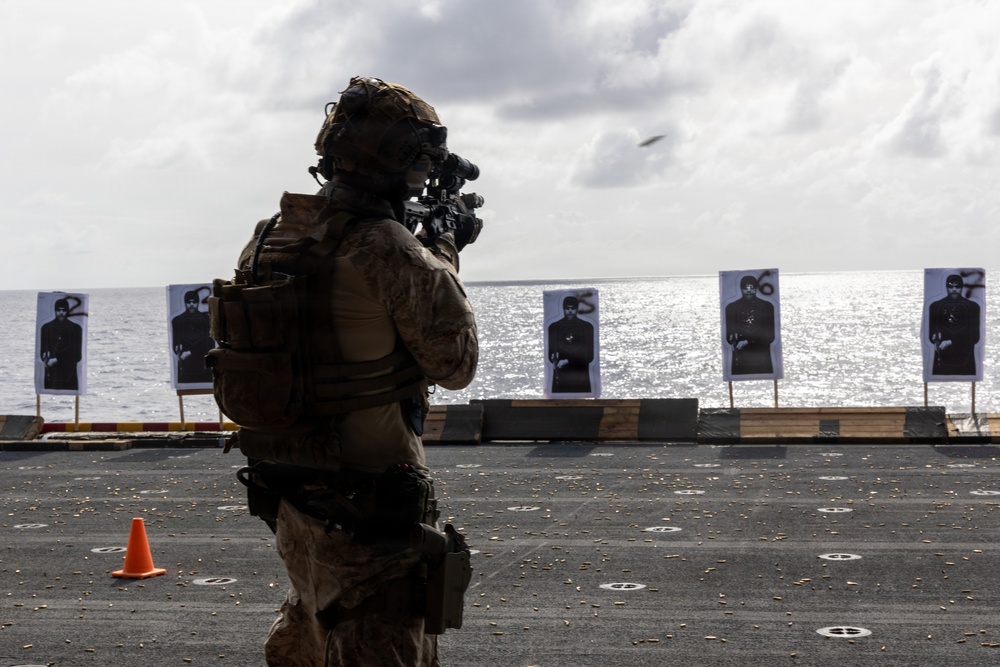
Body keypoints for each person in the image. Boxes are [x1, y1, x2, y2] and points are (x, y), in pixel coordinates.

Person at [223, 76, 479, 667]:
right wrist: (445, 250)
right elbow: (455, 362)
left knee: (313, 628)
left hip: (294, 496)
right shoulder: (386, 247)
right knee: (378, 633)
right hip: (371, 505)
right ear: (400, 163)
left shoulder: (270, 237)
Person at [928, 273, 980, 376]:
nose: (954, 289)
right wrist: (934, 336)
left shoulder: (973, 307)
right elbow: (931, 333)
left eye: (957, 287)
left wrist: (951, 342)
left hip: (965, 358)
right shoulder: (935, 307)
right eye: (951, 287)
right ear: (946, 287)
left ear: (962, 287)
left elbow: (975, 336)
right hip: (942, 359)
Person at [724, 275, 775, 375]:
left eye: (751, 288)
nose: (748, 291)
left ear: (756, 289)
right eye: (745, 288)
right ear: (741, 289)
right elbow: (728, 334)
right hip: (740, 358)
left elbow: (770, 335)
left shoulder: (767, 306)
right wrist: (731, 338)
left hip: (762, 357)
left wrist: (747, 341)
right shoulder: (731, 307)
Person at [547, 295, 595, 393]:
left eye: (572, 308)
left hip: (581, 377)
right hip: (561, 378)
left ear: (577, 309)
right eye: (567, 308)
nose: (569, 311)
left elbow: (589, 356)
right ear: (563, 309)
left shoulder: (587, 328)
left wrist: (567, 360)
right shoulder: (554, 328)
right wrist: (553, 355)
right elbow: (550, 354)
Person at [171, 290, 214, 384]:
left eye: (194, 302)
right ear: (185, 303)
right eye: (188, 302)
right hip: (185, 367)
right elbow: (175, 342)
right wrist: (177, 348)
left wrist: (191, 352)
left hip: (203, 365)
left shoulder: (207, 320)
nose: (191, 304)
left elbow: (210, 345)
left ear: (197, 303)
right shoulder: (177, 320)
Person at [39, 298, 83, 391]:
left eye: (64, 310)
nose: (61, 313)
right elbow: (42, 353)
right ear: (55, 310)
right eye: (58, 310)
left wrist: (57, 359)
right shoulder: (46, 328)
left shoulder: (76, 329)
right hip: (52, 375)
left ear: (67, 311)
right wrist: (46, 357)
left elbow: (78, 356)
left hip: (69, 374)